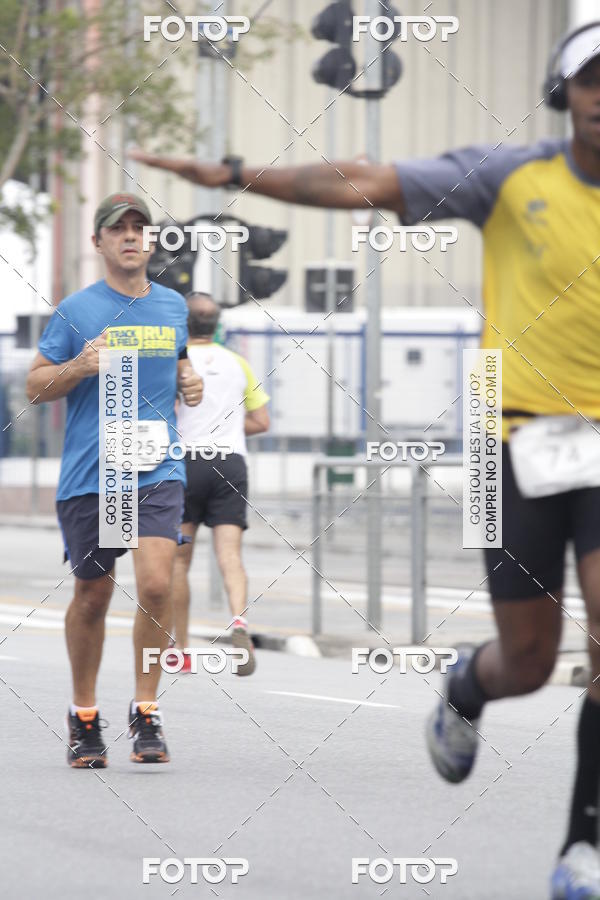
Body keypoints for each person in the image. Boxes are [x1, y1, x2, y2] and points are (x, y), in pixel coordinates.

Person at [132, 21, 600, 896]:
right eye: (593, 80)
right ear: (563, 91)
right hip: (512, 428)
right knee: (529, 662)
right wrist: (235, 175)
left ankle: (584, 849)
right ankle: (468, 685)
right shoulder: (513, 178)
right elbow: (365, 180)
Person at [26, 192, 204, 768]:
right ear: (99, 243)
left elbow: (177, 362)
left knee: (156, 585)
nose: (130, 237)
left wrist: (188, 379)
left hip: (155, 466)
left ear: (148, 242)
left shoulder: (173, 306)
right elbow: (35, 385)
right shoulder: (77, 310)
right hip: (93, 471)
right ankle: (83, 717)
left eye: (139, 228)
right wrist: (78, 366)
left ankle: (146, 710)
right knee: (94, 593)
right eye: (118, 229)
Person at [170, 291, 270, 676]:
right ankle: (239, 623)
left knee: (180, 558)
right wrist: (226, 427)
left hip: (186, 461)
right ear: (217, 326)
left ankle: (180, 648)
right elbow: (262, 421)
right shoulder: (238, 363)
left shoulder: (176, 362)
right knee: (230, 555)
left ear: (184, 324)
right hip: (230, 462)